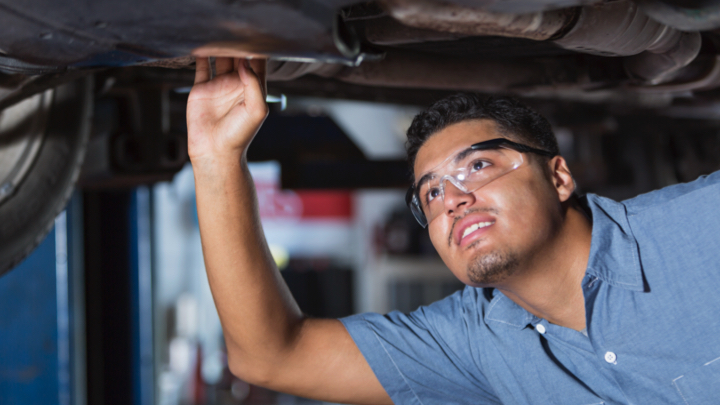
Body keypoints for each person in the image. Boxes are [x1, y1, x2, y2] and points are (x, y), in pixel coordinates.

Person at [187, 57, 720, 404]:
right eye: (432, 193)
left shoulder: (700, 225)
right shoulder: (472, 343)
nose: (454, 203)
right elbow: (270, 355)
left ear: (558, 177)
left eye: (479, 167)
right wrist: (215, 158)